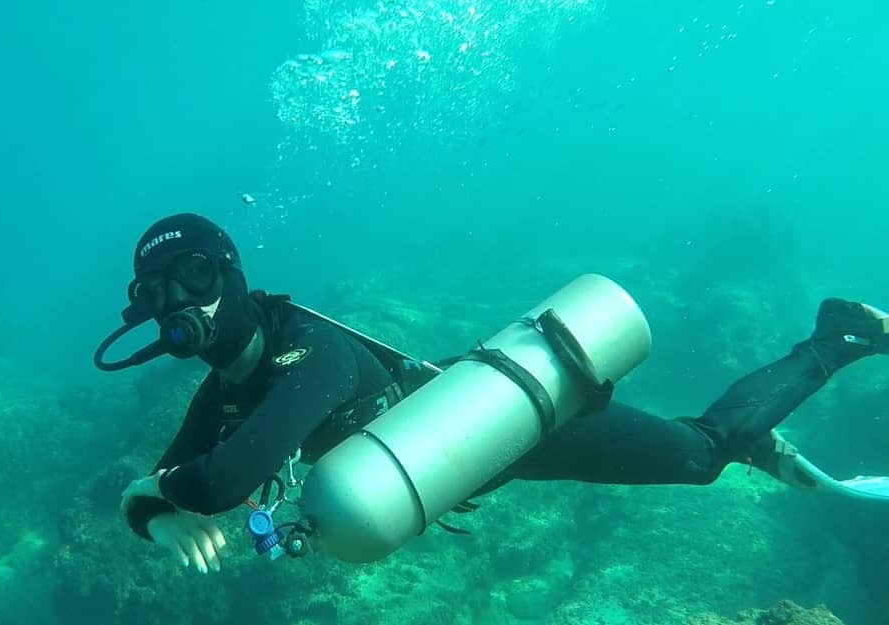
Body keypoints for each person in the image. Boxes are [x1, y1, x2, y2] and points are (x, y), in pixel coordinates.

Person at [98, 212, 889, 574]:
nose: (179, 304)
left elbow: (221, 481)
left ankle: (831, 340)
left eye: (193, 276)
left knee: (700, 455)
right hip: (450, 458)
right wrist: (149, 509)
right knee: (696, 449)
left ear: (232, 274)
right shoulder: (226, 389)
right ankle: (762, 429)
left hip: (504, 423)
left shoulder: (311, 348)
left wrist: (146, 493)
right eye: (156, 292)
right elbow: (179, 475)